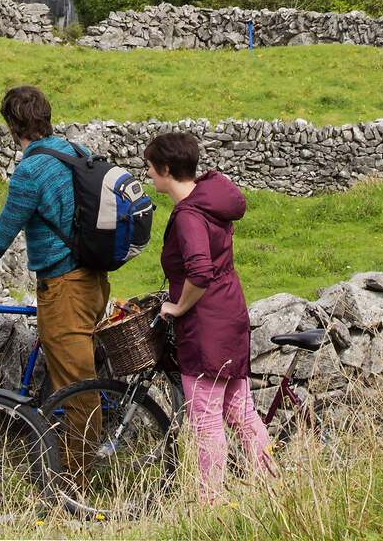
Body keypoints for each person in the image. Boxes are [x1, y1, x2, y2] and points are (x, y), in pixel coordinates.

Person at [0, 85, 108, 463]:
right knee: (78, 377)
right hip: (94, 280)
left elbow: (2, 233)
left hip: (65, 288)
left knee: (77, 390)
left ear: (12, 126)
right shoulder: (72, 150)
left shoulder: (30, 170)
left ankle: (73, 485)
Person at [146, 130, 275, 501]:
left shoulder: (188, 215)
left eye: (151, 168)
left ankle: (211, 504)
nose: (149, 175)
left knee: (205, 421)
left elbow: (199, 272)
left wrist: (178, 306)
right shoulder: (209, 201)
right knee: (241, 412)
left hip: (204, 327)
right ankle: (274, 489)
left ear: (167, 169)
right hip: (230, 316)